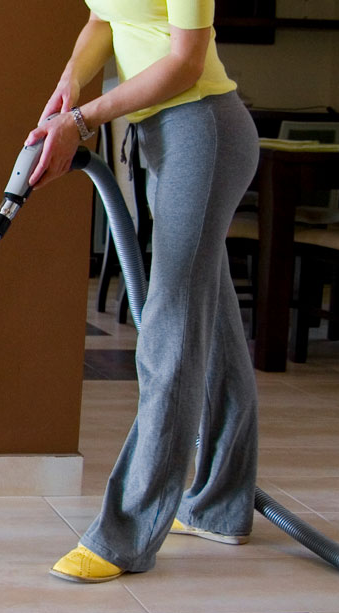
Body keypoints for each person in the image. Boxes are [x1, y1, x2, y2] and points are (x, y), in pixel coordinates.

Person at [27, 1, 260, 583]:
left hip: (200, 126)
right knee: (210, 319)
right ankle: (220, 503)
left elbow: (185, 61)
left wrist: (84, 120)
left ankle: (127, 533)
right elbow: (103, 19)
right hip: (162, 132)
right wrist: (70, 82)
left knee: (170, 324)